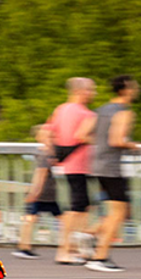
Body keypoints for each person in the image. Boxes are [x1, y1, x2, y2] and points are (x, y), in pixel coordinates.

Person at [84, 75, 140, 273]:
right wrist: (131, 144)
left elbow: (82, 134)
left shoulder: (100, 110)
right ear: (125, 89)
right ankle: (100, 256)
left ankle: (90, 236)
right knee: (119, 213)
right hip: (112, 168)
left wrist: (99, 146)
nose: (136, 90)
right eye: (134, 87)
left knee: (114, 211)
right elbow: (116, 140)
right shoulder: (124, 112)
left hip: (97, 165)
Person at [47, 77, 98, 265]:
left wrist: (55, 154)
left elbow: (47, 133)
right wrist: (102, 142)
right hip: (80, 166)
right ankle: (65, 250)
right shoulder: (87, 114)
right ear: (80, 91)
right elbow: (81, 136)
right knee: (76, 210)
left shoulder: (60, 109)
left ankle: (75, 249)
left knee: (81, 208)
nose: (94, 93)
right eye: (91, 90)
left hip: (65, 165)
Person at [13, 120, 59, 259]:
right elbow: (39, 175)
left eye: (52, 136)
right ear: (39, 138)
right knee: (30, 220)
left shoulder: (51, 155)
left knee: (32, 219)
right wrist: (34, 192)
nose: (51, 139)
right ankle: (23, 247)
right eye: (47, 137)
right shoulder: (44, 156)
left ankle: (24, 246)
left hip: (50, 195)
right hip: (41, 194)